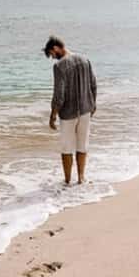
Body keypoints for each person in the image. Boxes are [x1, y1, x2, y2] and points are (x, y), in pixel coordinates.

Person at [43, 36, 97, 185]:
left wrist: (53, 115)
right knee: (82, 145)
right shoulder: (85, 60)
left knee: (66, 148)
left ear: (55, 48)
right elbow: (93, 84)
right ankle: (81, 178)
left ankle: (67, 181)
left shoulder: (60, 66)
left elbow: (59, 95)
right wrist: (93, 105)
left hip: (68, 113)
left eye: (52, 55)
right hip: (86, 109)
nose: (53, 58)